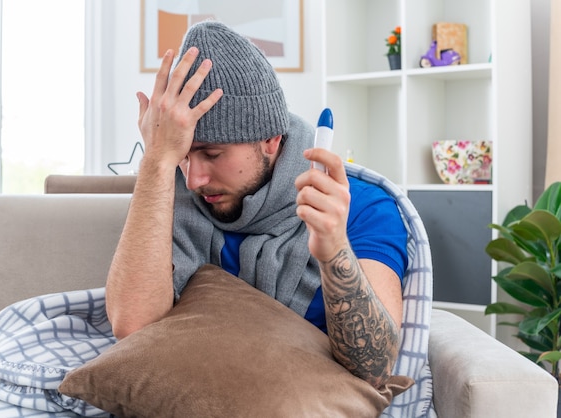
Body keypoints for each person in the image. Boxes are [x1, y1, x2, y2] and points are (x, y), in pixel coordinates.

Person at [105, 21, 408, 389]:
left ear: (270, 140)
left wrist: (333, 252)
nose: (194, 179)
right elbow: (132, 328)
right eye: (183, 156)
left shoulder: (362, 207)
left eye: (212, 154)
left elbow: (375, 368)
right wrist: (156, 161)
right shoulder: (169, 193)